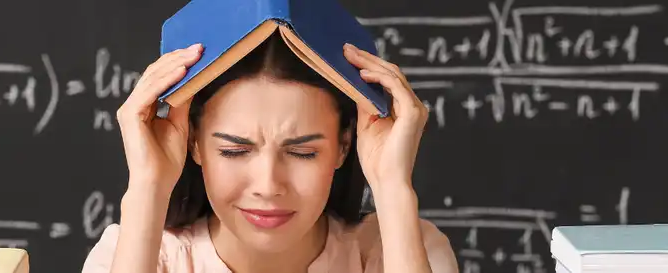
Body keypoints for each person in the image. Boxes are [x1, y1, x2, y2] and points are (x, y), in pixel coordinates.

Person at [82, 33, 459, 273]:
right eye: (233, 151)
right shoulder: (129, 253)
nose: (268, 186)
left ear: (345, 146)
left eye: (302, 153)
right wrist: (148, 186)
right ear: (193, 143)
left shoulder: (406, 250)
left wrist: (393, 187)